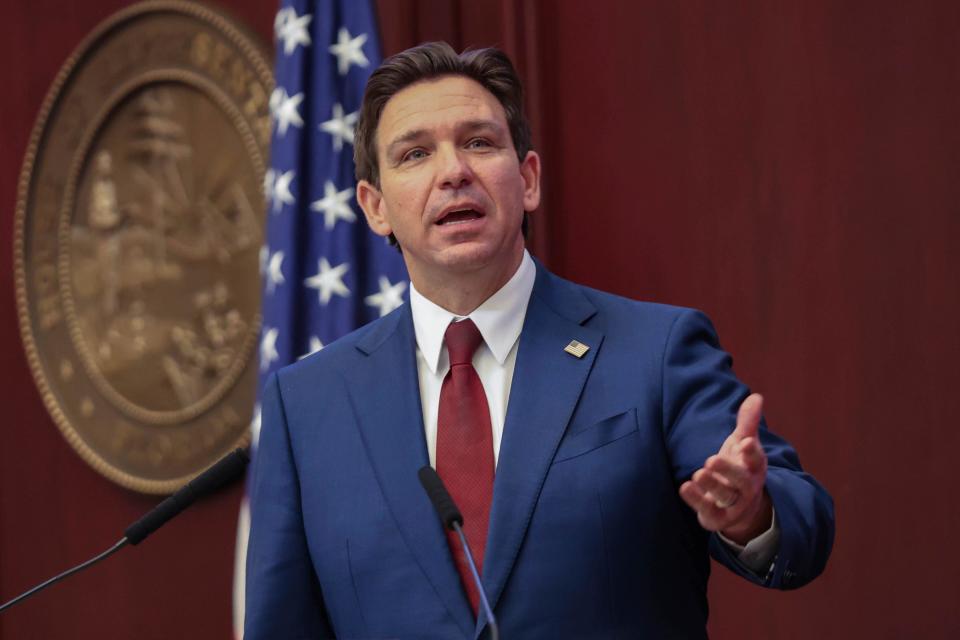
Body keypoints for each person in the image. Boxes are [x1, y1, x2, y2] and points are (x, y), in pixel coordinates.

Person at [244, 42, 834, 640]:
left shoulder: (654, 352)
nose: (453, 171)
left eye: (479, 142)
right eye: (416, 153)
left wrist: (750, 514)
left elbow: (800, 521)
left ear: (527, 179)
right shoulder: (307, 405)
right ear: (374, 208)